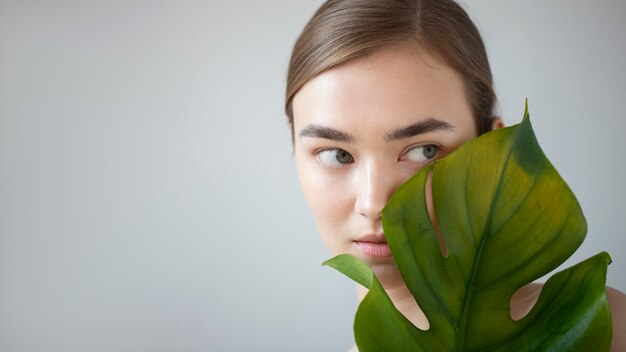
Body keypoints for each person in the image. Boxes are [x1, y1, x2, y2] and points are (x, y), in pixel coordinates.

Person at [284, 0, 626, 350]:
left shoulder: (599, 331)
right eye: (336, 155)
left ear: (493, 149)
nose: (373, 203)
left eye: (423, 151)